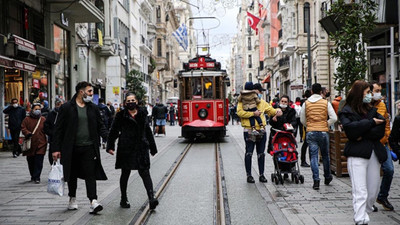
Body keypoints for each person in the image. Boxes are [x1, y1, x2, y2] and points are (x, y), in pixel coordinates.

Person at [52, 81, 108, 214]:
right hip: (71, 148)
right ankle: (72, 198)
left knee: (90, 174)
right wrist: (55, 148)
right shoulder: (66, 108)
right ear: (81, 92)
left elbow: (100, 126)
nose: (91, 94)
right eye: (89, 92)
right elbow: (58, 129)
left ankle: (93, 201)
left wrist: (108, 138)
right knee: (72, 175)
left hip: (89, 147)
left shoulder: (93, 108)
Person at [339, 80, 387, 225]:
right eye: (367, 92)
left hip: (373, 152)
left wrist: (362, 131)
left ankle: (366, 210)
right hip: (357, 153)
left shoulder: (372, 109)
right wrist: (371, 123)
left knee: (372, 190)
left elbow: (381, 128)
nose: (370, 95)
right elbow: (351, 131)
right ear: (359, 94)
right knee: (360, 189)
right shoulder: (346, 111)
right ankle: (360, 219)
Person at [107, 93, 159, 209]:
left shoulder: (142, 113)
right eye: (128, 101)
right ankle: (123, 199)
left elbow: (147, 131)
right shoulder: (121, 115)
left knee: (145, 173)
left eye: (133, 100)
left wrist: (152, 147)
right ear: (125, 103)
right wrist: (110, 146)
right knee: (125, 174)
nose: (131, 102)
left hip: (141, 148)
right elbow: (114, 131)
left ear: (137, 101)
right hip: (126, 148)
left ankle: (151, 198)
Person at [237, 83, 282, 183]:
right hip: (249, 130)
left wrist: (277, 111)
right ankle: (249, 175)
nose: (260, 93)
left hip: (261, 131)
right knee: (249, 153)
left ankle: (261, 175)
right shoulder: (242, 101)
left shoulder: (262, 102)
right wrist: (253, 114)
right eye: (260, 91)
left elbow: (271, 110)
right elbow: (239, 112)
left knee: (261, 154)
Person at [300, 83, 337, 190]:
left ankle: (316, 181)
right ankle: (327, 177)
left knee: (313, 157)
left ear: (311, 91)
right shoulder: (326, 102)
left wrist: (309, 125)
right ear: (321, 91)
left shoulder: (306, 103)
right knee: (325, 155)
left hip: (311, 131)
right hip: (323, 131)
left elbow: (302, 119)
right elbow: (334, 118)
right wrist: (326, 124)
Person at [370, 81, 394, 211]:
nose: (379, 93)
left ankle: (382, 196)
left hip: (382, 143)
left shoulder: (382, 105)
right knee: (370, 173)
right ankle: (369, 200)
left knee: (389, 169)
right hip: (369, 143)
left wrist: (386, 137)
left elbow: (386, 122)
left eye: (380, 90)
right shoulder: (365, 105)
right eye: (376, 90)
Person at [21, 103, 46, 183]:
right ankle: (33, 175)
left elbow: (47, 129)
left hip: (41, 143)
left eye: (39, 109)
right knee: (31, 161)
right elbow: (23, 128)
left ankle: (37, 177)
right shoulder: (27, 119)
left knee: (39, 160)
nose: (37, 111)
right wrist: (27, 133)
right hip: (30, 143)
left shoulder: (43, 119)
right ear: (32, 109)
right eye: (36, 109)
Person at [44, 98, 64, 165]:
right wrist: (52, 133)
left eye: (61, 105)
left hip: (64, 140)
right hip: (53, 139)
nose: (59, 106)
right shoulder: (51, 114)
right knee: (52, 157)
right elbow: (46, 127)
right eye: (58, 105)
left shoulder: (66, 114)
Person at [300, 90, 311, 167]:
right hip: (307, 126)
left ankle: (308, 160)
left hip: (307, 125)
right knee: (306, 143)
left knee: (309, 144)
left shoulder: (305, 102)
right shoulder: (306, 103)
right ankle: (303, 160)